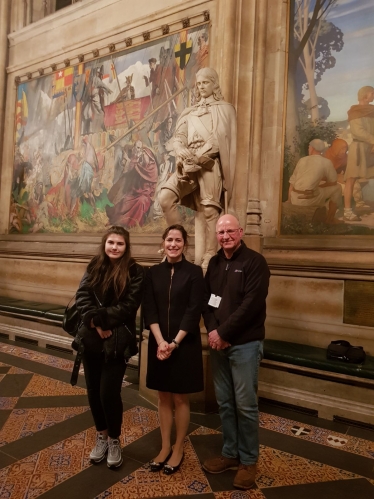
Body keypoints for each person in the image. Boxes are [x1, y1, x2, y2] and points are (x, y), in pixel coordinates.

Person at [202, 214, 270, 490]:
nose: (226, 236)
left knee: (246, 405)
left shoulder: (255, 263)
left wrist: (224, 333)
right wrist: (212, 332)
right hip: (219, 345)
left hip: (245, 345)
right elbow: (207, 303)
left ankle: (248, 461)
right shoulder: (215, 263)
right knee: (225, 403)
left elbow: (251, 305)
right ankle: (230, 453)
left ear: (240, 232)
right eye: (221, 232)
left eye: (230, 231)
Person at [75, 226, 145, 468]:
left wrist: (102, 320)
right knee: (93, 392)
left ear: (126, 246)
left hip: (117, 342)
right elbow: (82, 296)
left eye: (120, 244)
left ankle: (114, 439)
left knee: (109, 393)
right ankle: (102, 436)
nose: (114, 247)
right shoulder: (95, 265)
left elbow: (128, 306)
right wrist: (95, 323)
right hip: (92, 340)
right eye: (111, 243)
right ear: (105, 244)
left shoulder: (135, 270)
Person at [159, 67, 236, 271]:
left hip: (209, 163)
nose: (201, 87)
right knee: (165, 199)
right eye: (199, 83)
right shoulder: (190, 112)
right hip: (187, 164)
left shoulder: (225, 109)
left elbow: (223, 140)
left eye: (206, 83)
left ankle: (210, 254)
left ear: (214, 84)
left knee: (210, 209)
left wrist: (200, 155)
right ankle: (182, 249)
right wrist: (180, 148)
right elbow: (179, 136)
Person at [144, 224, 204, 475]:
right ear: (163, 242)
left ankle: (179, 447)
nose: (173, 244)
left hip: (184, 344)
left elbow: (193, 311)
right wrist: (160, 342)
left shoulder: (194, 272)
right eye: (169, 239)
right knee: (163, 396)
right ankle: (165, 445)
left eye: (178, 240)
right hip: (159, 343)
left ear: (185, 244)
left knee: (180, 397)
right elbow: (150, 309)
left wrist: (174, 343)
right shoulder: (152, 272)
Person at [106, 140, 158, 228]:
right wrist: (135, 159)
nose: (139, 151)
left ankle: (133, 225)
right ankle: (117, 221)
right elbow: (130, 169)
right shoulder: (136, 159)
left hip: (145, 194)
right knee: (125, 201)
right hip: (135, 192)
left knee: (141, 202)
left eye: (140, 148)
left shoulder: (150, 168)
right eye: (137, 148)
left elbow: (150, 181)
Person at [288, 139, 341, 224]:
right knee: (338, 188)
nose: (308, 149)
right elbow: (334, 182)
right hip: (309, 200)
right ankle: (330, 219)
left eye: (309, 147)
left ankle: (325, 215)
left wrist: (289, 200)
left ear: (312, 148)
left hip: (295, 198)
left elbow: (292, 182)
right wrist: (320, 185)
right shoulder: (326, 162)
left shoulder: (302, 160)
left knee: (318, 186)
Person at [344, 86, 374, 221]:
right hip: (358, 149)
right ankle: (347, 212)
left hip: (371, 148)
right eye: (372, 93)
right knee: (351, 180)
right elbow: (358, 131)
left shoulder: (372, 111)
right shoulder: (355, 112)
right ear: (365, 95)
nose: (373, 96)